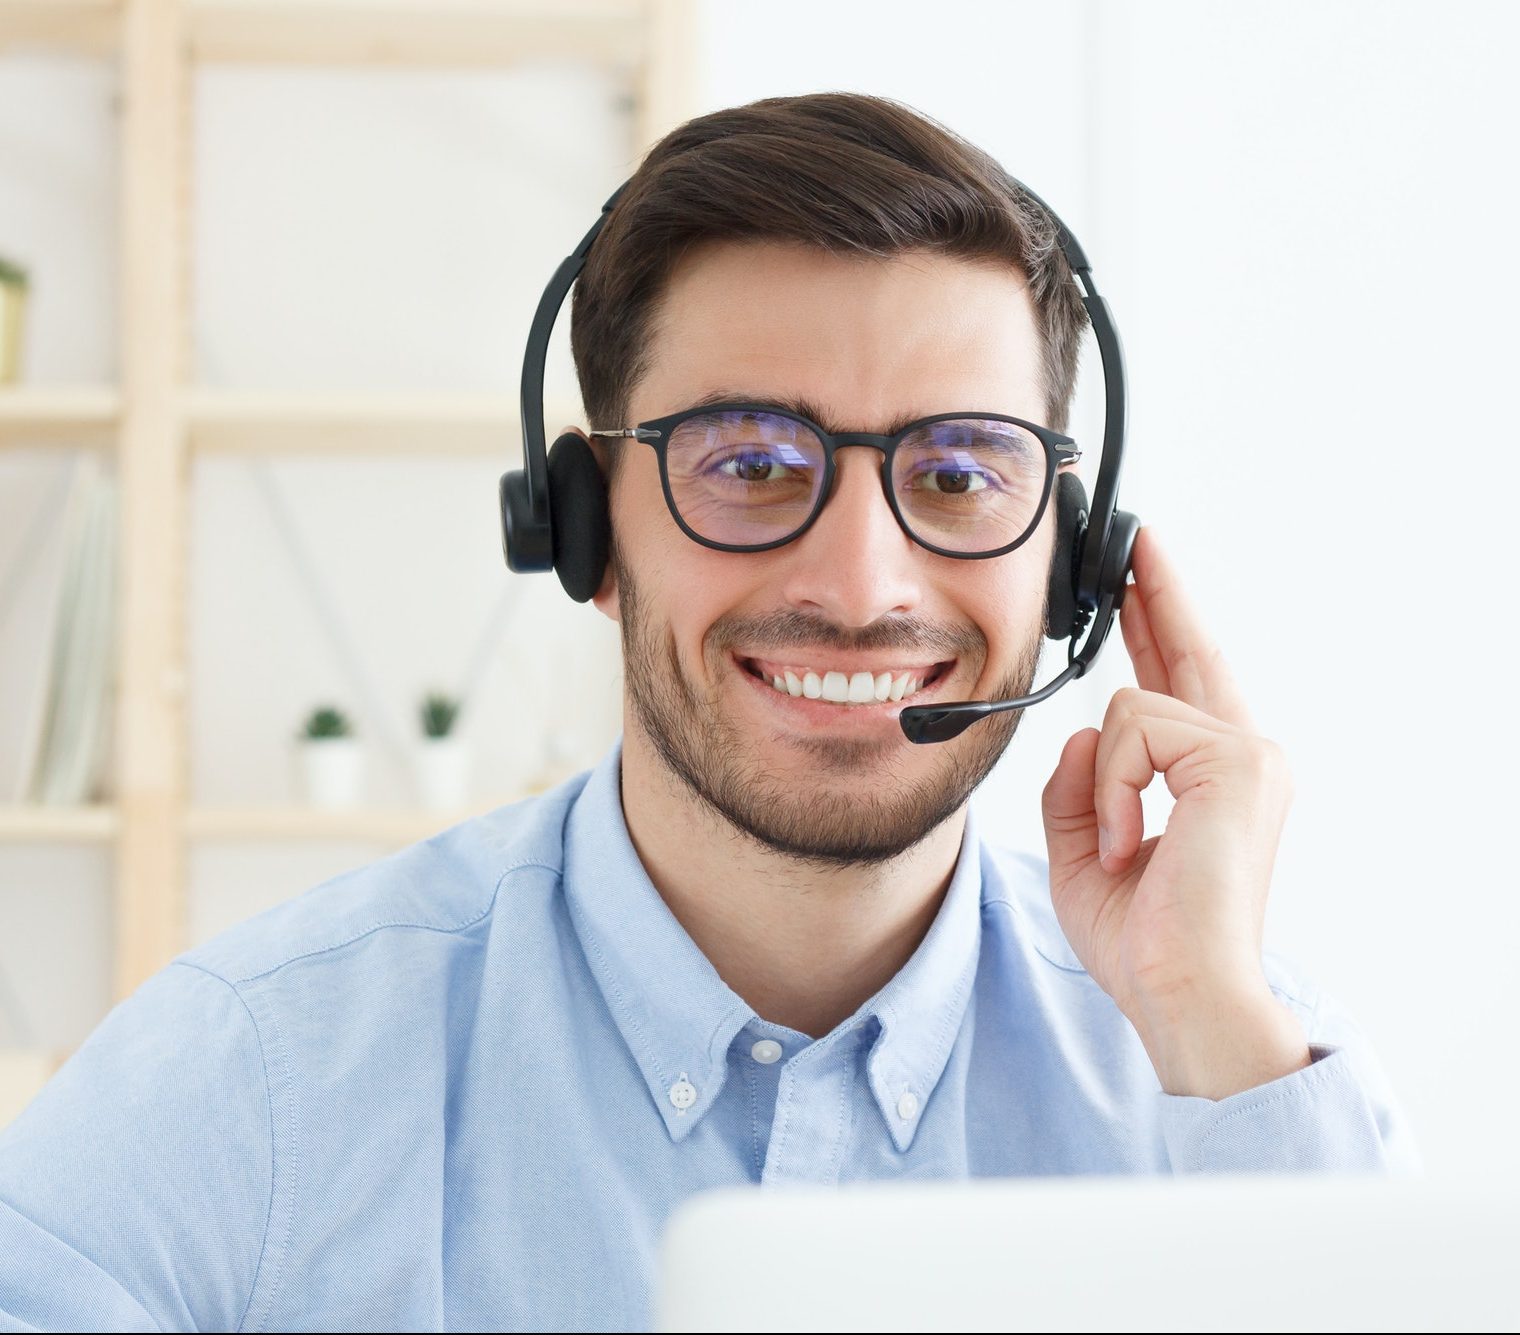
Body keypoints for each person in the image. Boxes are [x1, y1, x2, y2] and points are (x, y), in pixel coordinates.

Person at [0, 93, 1415, 1333]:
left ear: (1075, 560)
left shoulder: (1228, 1075)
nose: (862, 583)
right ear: (583, 534)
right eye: (748, 461)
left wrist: (1205, 1022)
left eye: (961, 474)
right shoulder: (256, 1080)